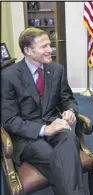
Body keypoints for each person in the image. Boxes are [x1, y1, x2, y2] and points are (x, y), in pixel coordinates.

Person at [1, 27, 84, 195]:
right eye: (44, 46)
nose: (50, 49)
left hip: (55, 123)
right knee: (57, 158)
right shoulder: (8, 76)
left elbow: (67, 99)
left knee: (69, 138)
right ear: (28, 50)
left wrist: (69, 110)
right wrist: (44, 130)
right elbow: (10, 120)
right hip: (27, 136)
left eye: (50, 45)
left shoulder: (56, 70)